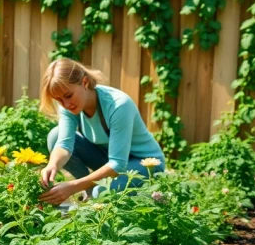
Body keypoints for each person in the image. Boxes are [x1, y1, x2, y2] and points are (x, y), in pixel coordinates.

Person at [37, 58, 165, 205]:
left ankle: (92, 190)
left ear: (85, 82)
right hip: (110, 158)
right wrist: (52, 165)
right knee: (54, 136)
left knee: (101, 193)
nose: (65, 104)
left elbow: (118, 164)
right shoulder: (69, 106)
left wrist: (73, 186)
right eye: (59, 100)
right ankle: (89, 190)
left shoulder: (118, 105)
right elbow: (63, 145)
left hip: (145, 163)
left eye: (68, 96)